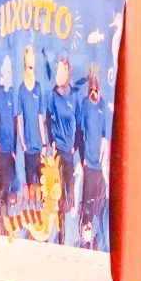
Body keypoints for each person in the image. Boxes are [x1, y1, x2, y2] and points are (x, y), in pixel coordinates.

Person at [48, 55, 83, 245]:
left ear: (68, 72)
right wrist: (51, 141)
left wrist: (75, 146)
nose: (58, 73)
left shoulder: (74, 97)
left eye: (61, 69)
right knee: (58, 191)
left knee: (69, 193)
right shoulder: (53, 96)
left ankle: (66, 234)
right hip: (58, 150)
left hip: (69, 150)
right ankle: (58, 235)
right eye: (57, 69)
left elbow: (79, 124)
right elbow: (47, 118)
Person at [14, 44, 47, 238]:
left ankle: (42, 224)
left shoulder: (39, 88)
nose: (30, 69)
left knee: (42, 186)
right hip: (28, 148)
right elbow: (19, 117)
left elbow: (40, 117)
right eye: (28, 66)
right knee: (30, 186)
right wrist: (23, 142)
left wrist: (44, 142)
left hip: (38, 145)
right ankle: (30, 225)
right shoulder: (21, 90)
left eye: (32, 66)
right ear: (24, 66)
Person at [80, 66, 112, 249]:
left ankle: (98, 238)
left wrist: (103, 154)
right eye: (91, 89)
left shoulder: (102, 105)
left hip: (99, 163)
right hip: (88, 160)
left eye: (96, 89)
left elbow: (103, 134)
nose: (94, 93)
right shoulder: (85, 104)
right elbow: (82, 131)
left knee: (98, 200)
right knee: (87, 197)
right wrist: (83, 158)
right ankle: (86, 231)